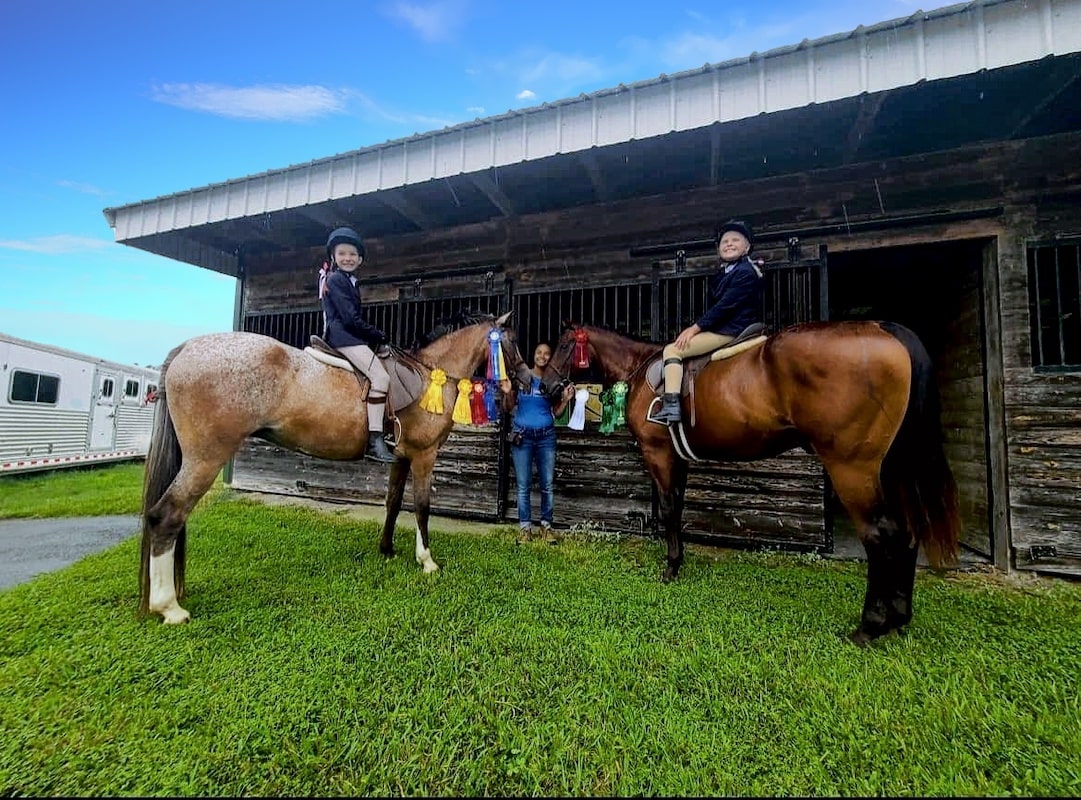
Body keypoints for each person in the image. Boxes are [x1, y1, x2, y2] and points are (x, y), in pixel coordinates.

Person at [653, 219, 765, 425]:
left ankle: (671, 407)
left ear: (747, 247)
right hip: (727, 326)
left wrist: (695, 329)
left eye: (735, 240)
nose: (729, 244)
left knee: (672, 351)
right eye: (725, 241)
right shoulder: (725, 272)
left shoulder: (745, 272)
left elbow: (724, 307)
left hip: (731, 329)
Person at [321, 226, 397, 463]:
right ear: (333, 257)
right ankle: (375, 439)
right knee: (382, 378)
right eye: (342, 253)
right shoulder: (335, 279)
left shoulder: (348, 281)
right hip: (342, 336)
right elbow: (350, 319)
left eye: (353, 254)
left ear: (360, 259)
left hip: (347, 335)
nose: (348, 258)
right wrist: (378, 335)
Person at [498, 342, 576, 541]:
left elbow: (557, 414)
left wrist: (566, 400)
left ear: (551, 357)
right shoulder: (522, 377)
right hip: (522, 437)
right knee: (523, 485)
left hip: (546, 437)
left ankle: (546, 527)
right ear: (533, 356)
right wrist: (507, 392)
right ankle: (525, 529)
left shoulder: (552, 382)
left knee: (547, 485)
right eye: (539, 352)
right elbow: (508, 407)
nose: (542, 356)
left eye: (547, 354)